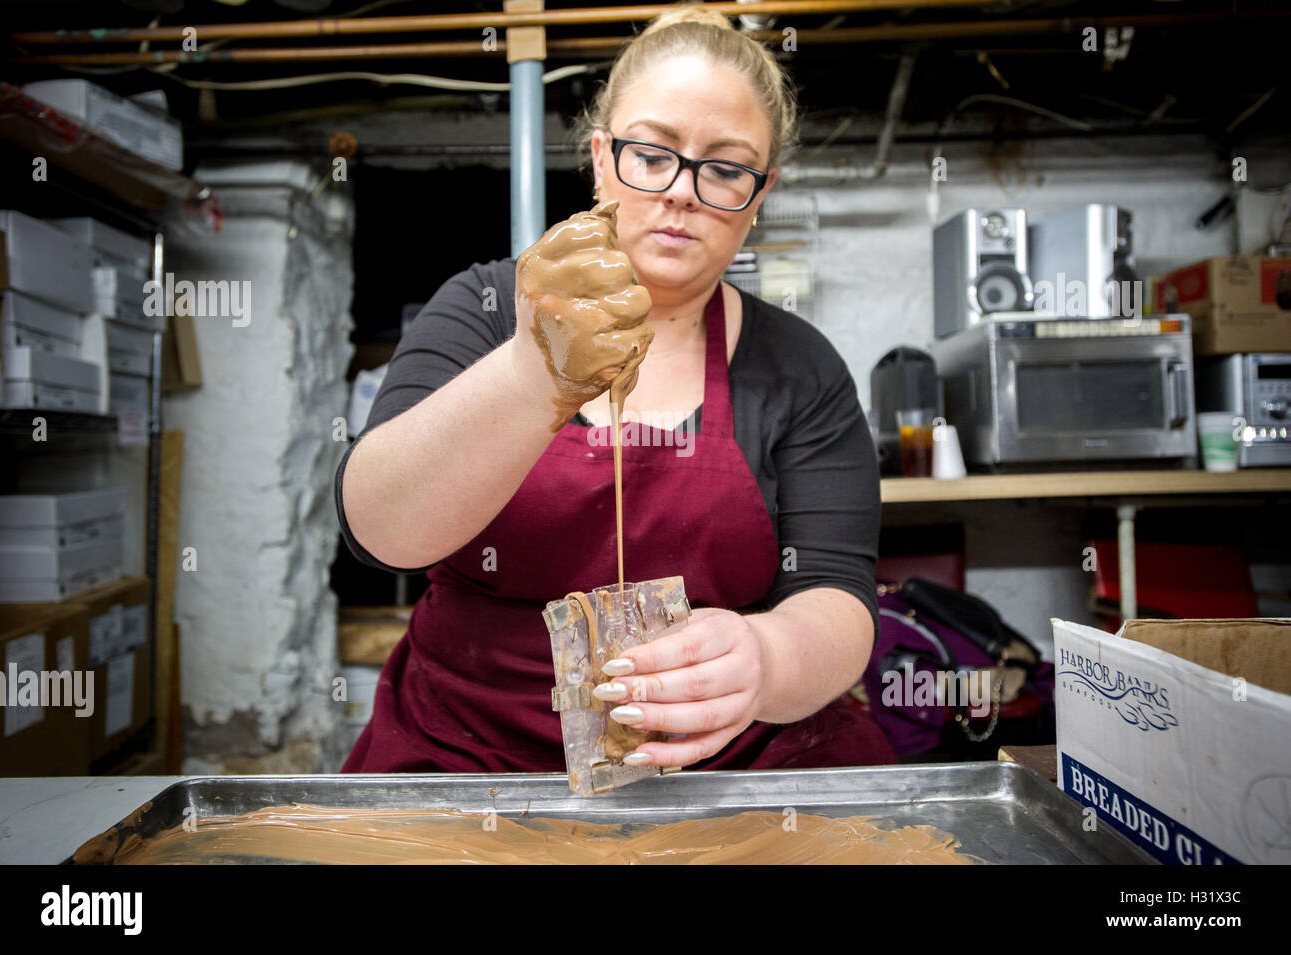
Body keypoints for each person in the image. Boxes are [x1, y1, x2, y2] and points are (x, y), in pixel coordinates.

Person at [338, 6, 893, 773]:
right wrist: (534, 372)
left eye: (726, 168)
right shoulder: (486, 313)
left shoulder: (798, 367)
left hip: (729, 762)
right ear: (602, 159)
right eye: (652, 154)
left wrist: (764, 658)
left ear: (760, 193)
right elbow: (380, 529)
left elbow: (837, 594)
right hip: (468, 755)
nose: (682, 193)